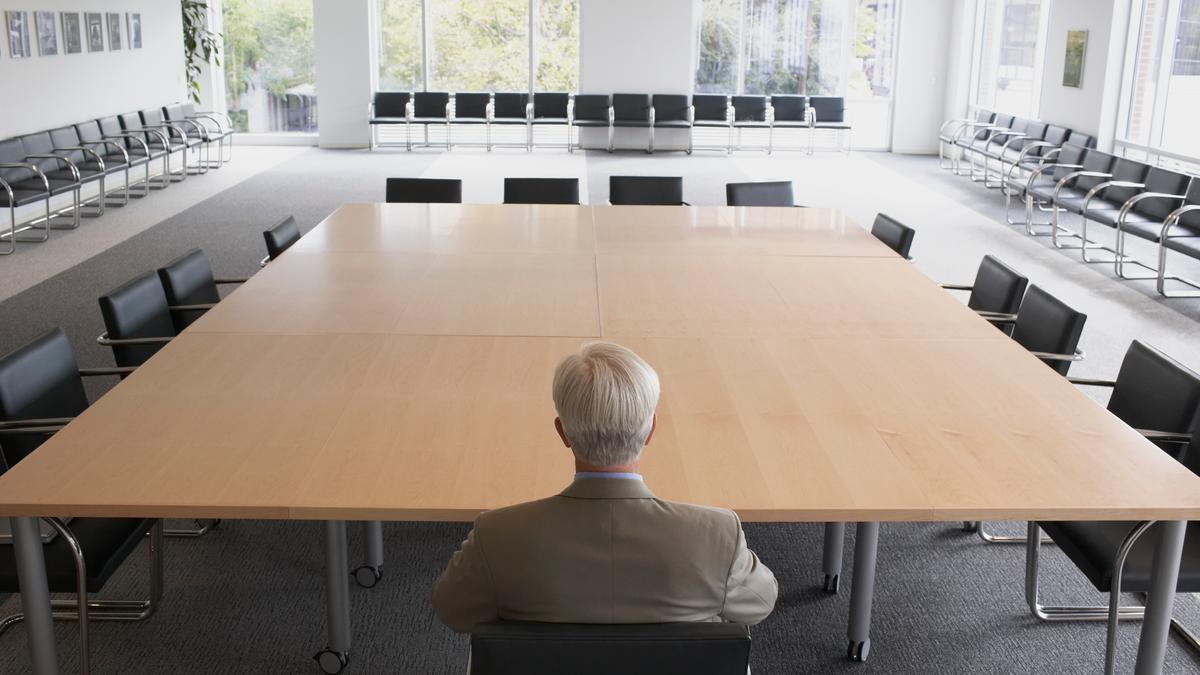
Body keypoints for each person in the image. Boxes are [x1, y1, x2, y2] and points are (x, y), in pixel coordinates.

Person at [432, 342, 777, 632]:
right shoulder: (716, 536)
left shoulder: (497, 536)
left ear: (563, 432)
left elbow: (453, 611)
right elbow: (762, 603)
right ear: (651, 430)